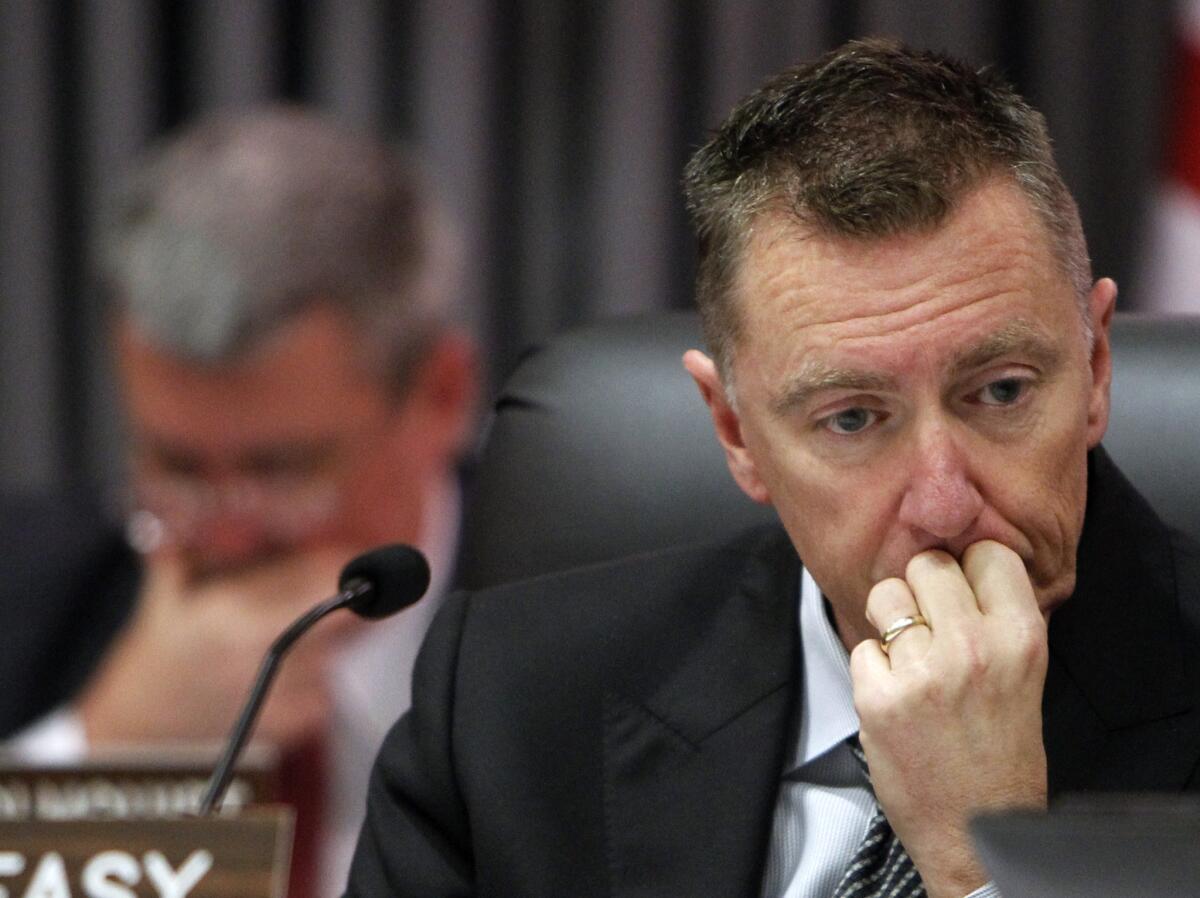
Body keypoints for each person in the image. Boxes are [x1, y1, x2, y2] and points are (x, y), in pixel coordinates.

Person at [344, 39, 1200, 898]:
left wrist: (979, 864)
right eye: (854, 418)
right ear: (736, 433)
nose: (943, 504)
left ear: (1094, 368)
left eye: (1001, 391)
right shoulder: (507, 704)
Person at [0, 107, 478, 898]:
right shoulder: (30, 595)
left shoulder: (581, 616)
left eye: (284, 468)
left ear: (440, 396)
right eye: (176, 465)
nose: (227, 531)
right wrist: (108, 753)